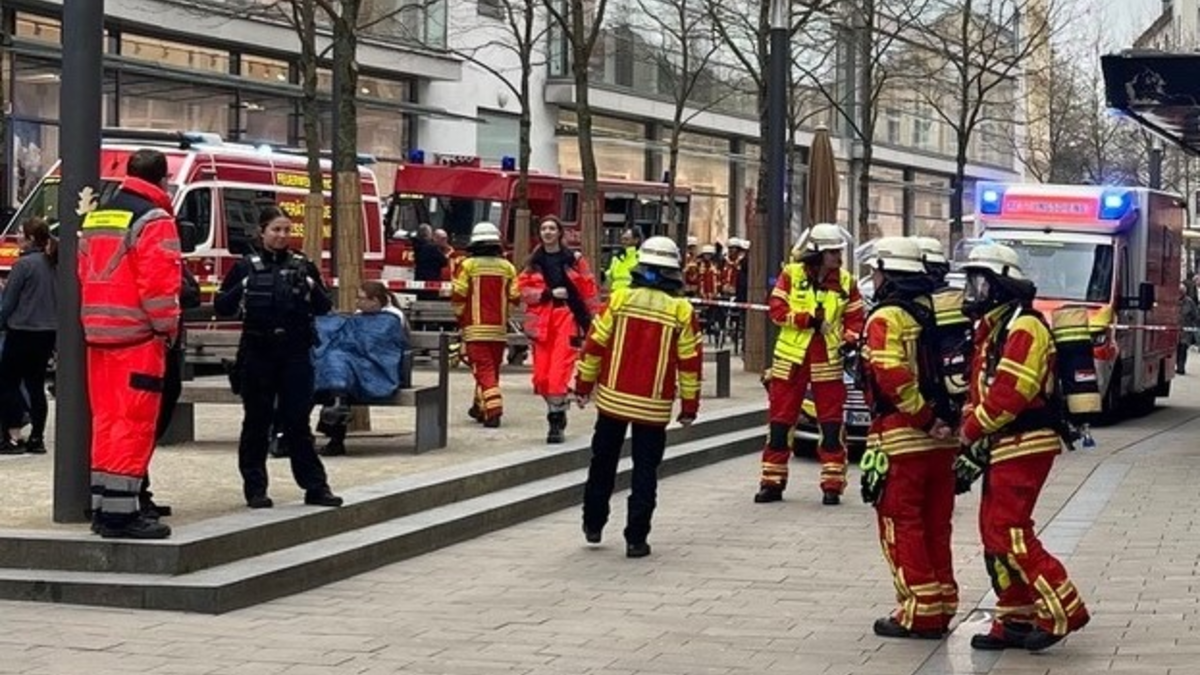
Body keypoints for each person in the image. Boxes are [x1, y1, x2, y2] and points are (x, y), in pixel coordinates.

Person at [957, 243, 1090, 652]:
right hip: (1002, 441)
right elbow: (979, 387)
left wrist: (970, 431)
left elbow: (1011, 392)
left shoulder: (1025, 327)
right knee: (993, 532)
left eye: (980, 282)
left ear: (1001, 285)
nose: (972, 291)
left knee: (1011, 531)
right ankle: (1015, 619)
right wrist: (972, 430)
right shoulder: (993, 327)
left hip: (1026, 442)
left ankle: (1064, 609)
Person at [858, 237, 958, 640]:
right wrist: (943, 422)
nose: (874, 279)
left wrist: (923, 416)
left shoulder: (886, 318)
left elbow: (891, 375)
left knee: (903, 524)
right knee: (937, 525)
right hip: (946, 443)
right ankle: (944, 601)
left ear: (888, 273)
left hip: (903, 436)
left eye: (876, 272)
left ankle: (919, 611)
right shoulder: (944, 311)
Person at [576, 236, 701, 558]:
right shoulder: (682, 310)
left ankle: (593, 523)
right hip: (653, 406)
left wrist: (583, 386)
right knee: (645, 472)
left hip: (613, 399)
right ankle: (636, 539)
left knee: (602, 463)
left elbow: (594, 346)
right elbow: (689, 364)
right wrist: (689, 407)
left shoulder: (619, 299)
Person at [78, 149, 182, 539]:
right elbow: (158, 285)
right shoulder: (154, 219)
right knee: (133, 424)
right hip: (137, 337)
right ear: (162, 179)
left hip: (98, 334)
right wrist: (166, 328)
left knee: (106, 421)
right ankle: (122, 517)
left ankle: (104, 507)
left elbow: (82, 271)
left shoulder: (98, 217)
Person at [215, 205, 342, 510]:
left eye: (287, 230)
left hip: (295, 353)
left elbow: (325, 308)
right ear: (262, 232)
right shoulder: (246, 266)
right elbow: (222, 306)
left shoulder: (303, 265)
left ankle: (315, 486)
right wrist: (244, 287)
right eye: (276, 230)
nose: (282, 236)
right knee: (257, 423)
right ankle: (255, 489)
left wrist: (312, 286)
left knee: (297, 421)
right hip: (258, 352)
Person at [755, 223, 864, 506]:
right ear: (817, 254)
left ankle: (832, 485)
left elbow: (855, 320)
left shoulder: (847, 282)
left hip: (827, 360)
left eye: (839, 251)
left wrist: (850, 339)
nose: (839, 257)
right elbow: (777, 311)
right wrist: (807, 320)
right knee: (780, 424)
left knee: (830, 426)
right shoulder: (791, 275)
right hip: (790, 360)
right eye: (833, 252)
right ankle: (772, 482)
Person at [518, 216, 598, 443]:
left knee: (558, 373)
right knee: (541, 377)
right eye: (544, 228)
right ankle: (558, 410)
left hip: (567, 318)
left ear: (560, 232)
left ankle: (555, 421)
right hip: (542, 322)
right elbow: (520, 291)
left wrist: (593, 324)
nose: (548, 232)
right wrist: (547, 294)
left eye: (552, 228)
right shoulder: (533, 262)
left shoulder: (574, 259)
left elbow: (589, 290)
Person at [317, 281, 408, 456]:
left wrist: (353, 348)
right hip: (352, 364)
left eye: (361, 299)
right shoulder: (358, 316)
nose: (357, 302)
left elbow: (380, 345)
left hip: (375, 366)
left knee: (338, 364)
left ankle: (336, 431)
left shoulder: (392, 318)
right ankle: (336, 409)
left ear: (375, 301)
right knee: (331, 367)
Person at [452, 222, 520, 428]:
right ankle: (479, 407)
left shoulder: (467, 265)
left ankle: (493, 411)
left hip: (475, 329)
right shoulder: (508, 267)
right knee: (491, 369)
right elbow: (515, 296)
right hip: (498, 330)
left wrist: (460, 319)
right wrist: (504, 318)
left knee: (483, 370)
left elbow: (459, 295)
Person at [0, 217, 57, 455]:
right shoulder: (53, 263)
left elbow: (9, 302)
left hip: (22, 330)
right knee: (35, 385)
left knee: (7, 382)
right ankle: (37, 437)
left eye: (22, 233)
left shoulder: (23, 265)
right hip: (47, 332)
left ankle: (11, 435)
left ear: (32, 238)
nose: (19, 237)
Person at [604, 226, 641, 292]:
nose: (623, 242)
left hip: (632, 295)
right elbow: (609, 277)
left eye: (626, 239)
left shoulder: (641, 257)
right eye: (622, 239)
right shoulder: (616, 258)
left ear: (636, 240)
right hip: (616, 295)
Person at [1178, 283, 1198, 374]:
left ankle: (1181, 368)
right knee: (1177, 349)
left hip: (1186, 332)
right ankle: (1177, 366)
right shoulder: (1173, 301)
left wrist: (1192, 327)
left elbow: (1195, 316)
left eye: (1181, 292)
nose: (1179, 294)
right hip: (1175, 331)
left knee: (1183, 349)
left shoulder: (1189, 302)